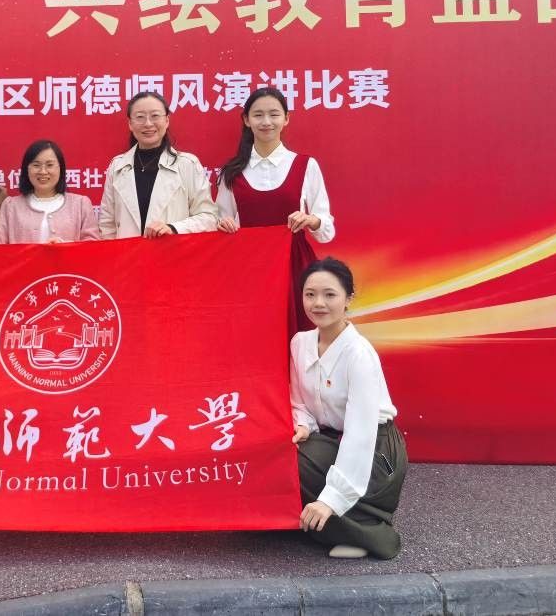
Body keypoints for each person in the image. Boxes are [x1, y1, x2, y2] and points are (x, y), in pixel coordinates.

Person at [290, 258, 407, 560]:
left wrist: (331, 499)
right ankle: (318, 523)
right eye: (310, 294)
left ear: (348, 299)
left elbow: (360, 434)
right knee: (283, 454)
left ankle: (373, 534)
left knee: (304, 467)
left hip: (376, 450)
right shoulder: (300, 343)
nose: (318, 303)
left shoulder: (359, 354)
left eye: (329, 294)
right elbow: (299, 401)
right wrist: (303, 424)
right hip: (330, 439)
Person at [216, 87, 334, 335]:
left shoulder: (305, 165)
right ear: (246, 120)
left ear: (286, 118)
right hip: (248, 268)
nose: (266, 122)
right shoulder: (231, 173)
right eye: (258, 115)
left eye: (274, 114)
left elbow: (326, 230)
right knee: (256, 335)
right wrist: (224, 225)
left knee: (300, 337)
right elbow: (219, 220)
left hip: (295, 265)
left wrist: (311, 220)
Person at [99, 91, 217, 239]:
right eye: (140, 117)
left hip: (173, 251)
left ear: (166, 120)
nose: (148, 124)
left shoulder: (187, 164)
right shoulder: (117, 166)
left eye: (155, 116)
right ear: (130, 124)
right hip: (127, 253)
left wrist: (173, 228)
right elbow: (107, 225)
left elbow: (209, 217)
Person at [0, 139, 100, 244]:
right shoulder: (11, 206)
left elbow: (93, 246)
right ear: (27, 169)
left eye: (50, 165)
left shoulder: (80, 205)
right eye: (36, 165)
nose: (43, 171)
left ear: (60, 168)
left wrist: (66, 246)